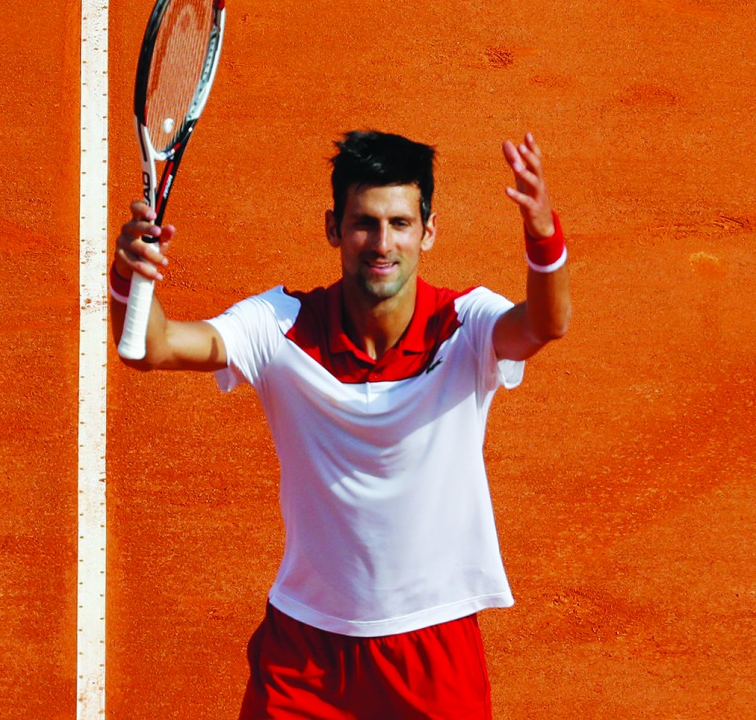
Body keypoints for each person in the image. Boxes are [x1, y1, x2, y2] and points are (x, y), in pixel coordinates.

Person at [110, 131, 571, 719]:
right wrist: (129, 277)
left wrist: (542, 235)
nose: (382, 244)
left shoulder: (465, 325)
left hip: (433, 648)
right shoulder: (278, 327)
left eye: (401, 224)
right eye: (364, 224)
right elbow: (152, 347)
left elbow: (545, 323)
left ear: (428, 232)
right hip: (307, 654)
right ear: (334, 228)